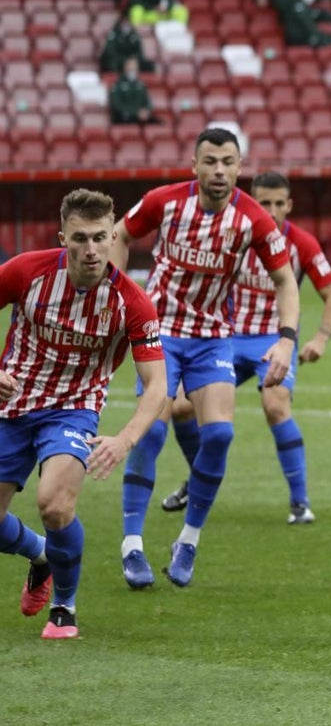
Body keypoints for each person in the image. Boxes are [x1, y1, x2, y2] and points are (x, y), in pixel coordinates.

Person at [111, 127, 301, 589]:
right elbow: (119, 233)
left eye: (228, 162)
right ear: (194, 164)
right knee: (152, 432)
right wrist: (115, 295)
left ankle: (188, 541)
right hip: (161, 333)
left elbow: (285, 282)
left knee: (217, 435)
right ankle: (131, 546)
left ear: (239, 167)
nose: (219, 170)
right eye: (210, 161)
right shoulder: (165, 201)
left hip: (214, 337)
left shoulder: (254, 219)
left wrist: (287, 338)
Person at [0, 189, 167, 639]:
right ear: (63, 238)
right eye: (81, 238)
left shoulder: (132, 302)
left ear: (114, 236)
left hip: (73, 411)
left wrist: (124, 439)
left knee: (54, 504)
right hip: (10, 405)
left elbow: (157, 386)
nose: (93, 249)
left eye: (101, 237)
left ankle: (64, 607)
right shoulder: (26, 272)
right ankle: (41, 555)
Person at [159, 171, 331, 524]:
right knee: (180, 407)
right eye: (264, 202)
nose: (271, 211)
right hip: (225, 338)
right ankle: (201, 479)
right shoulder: (231, 234)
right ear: (251, 200)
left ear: (289, 205)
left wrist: (320, 337)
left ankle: (300, 503)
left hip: (273, 341)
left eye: (278, 203)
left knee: (275, 405)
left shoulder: (302, 244)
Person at [108, 57, 159, 126]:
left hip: (140, 117)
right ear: (125, 68)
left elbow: (147, 102)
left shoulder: (140, 85)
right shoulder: (117, 85)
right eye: (130, 67)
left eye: (134, 67)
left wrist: (146, 111)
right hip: (125, 118)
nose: (133, 70)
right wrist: (135, 112)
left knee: (158, 123)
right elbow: (117, 105)